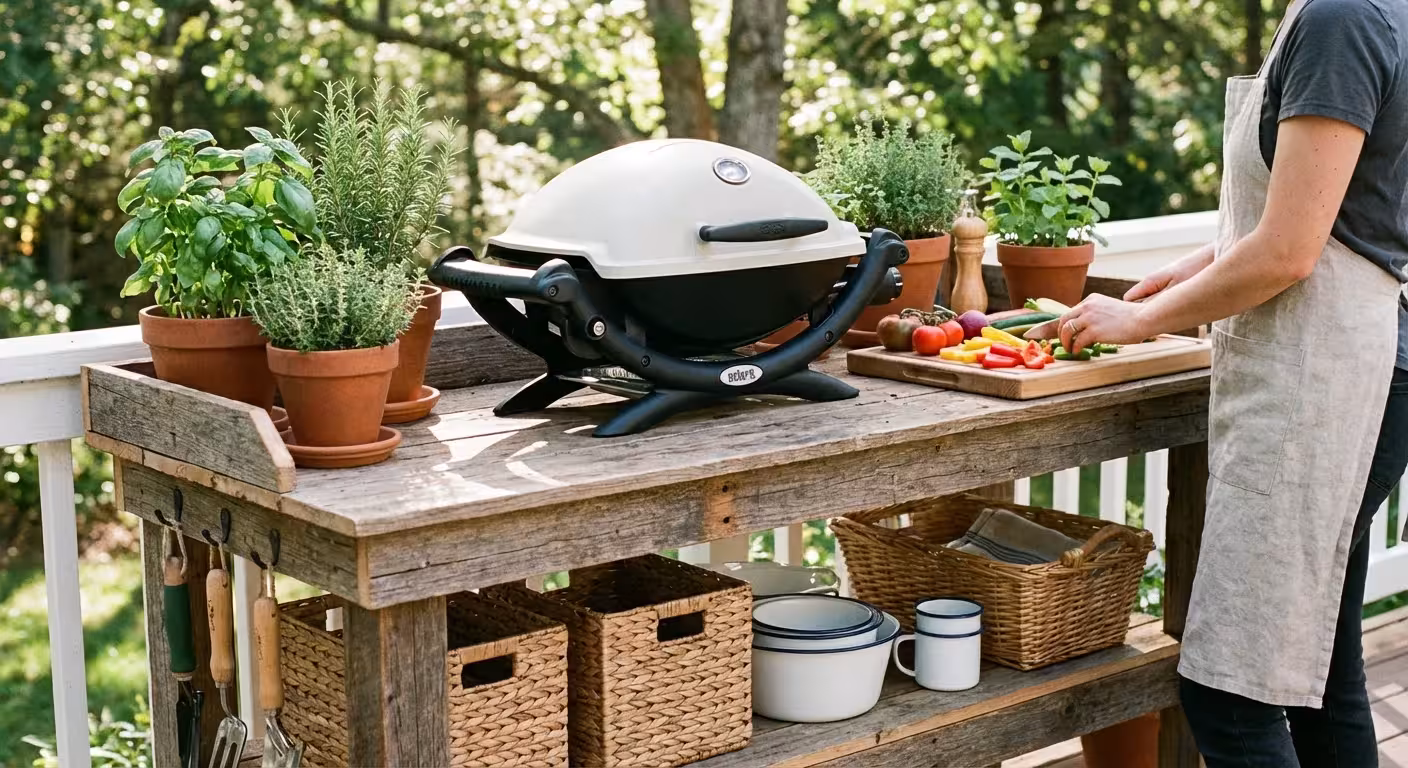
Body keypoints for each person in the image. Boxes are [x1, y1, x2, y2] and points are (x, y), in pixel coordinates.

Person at [1051, 0, 1408, 764]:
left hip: (1332, 378)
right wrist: (1194, 270)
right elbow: (1331, 208)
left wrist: (1140, 323)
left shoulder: (1344, 18)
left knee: (1230, 695)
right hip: (1362, 367)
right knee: (1321, 674)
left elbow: (1289, 253)